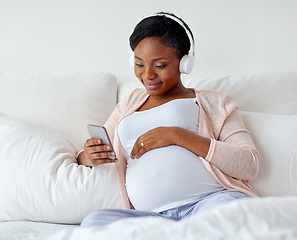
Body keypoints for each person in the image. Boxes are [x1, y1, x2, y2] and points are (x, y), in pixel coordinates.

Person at [77, 12, 260, 227]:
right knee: (94, 223)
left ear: (185, 63)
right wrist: (88, 156)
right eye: (139, 64)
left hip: (208, 203)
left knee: (233, 212)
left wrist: (176, 135)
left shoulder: (216, 103)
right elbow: (90, 153)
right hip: (151, 217)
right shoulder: (129, 104)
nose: (147, 75)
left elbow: (249, 164)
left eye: (160, 65)